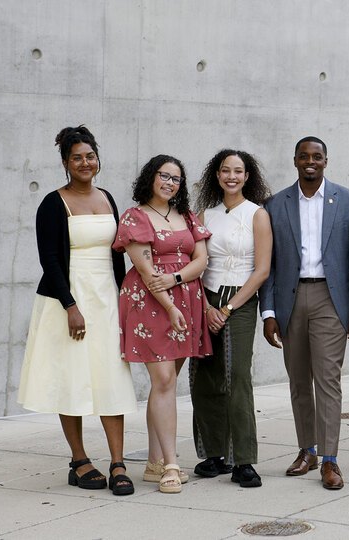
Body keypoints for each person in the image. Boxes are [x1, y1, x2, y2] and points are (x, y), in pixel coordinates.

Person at [18, 125, 137, 496]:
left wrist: (123, 299)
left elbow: (116, 253)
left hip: (105, 301)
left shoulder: (107, 197)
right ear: (66, 163)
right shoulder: (53, 203)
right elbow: (49, 260)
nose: (85, 163)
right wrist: (70, 305)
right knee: (72, 379)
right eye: (77, 158)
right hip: (68, 302)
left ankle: (118, 461)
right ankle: (80, 460)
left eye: (90, 156)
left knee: (111, 378)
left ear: (97, 159)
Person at [259, 136, 349, 490]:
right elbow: (269, 265)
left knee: (328, 380)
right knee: (298, 380)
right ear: (294, 161)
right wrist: (268, 312)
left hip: (329, 298)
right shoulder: (275, 204)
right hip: (290, 299)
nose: (310, 161)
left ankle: (330, 460)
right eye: (304, 156)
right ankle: (307, 450)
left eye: (316, 156)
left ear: (326, 160)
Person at [114, 155, 212, 494]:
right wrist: (171, 306)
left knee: (165, 384)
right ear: (150, 177)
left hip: (187, 299)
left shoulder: (186, 216)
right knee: (165, 379)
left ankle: (155, 462)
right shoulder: (135, 216)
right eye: (164, 176)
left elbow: (202, 260)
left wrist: (176, 278)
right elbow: (146, 272)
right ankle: (171, 464)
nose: (169, 183)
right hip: (152, 304)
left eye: (176, 179)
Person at [191, 149, 272, 488]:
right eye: (226, 170)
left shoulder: (257, 214)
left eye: (238, 171)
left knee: (237, 376)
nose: (232, 176)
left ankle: (244, 460)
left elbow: (263, 269)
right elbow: (196, 262)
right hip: (205, 297)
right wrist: (207, 307)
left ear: (247, 176)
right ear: (217, 175)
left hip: (239, 300)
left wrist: (226, 309)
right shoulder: (204, 214)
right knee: (205, 375)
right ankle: (214, 454)